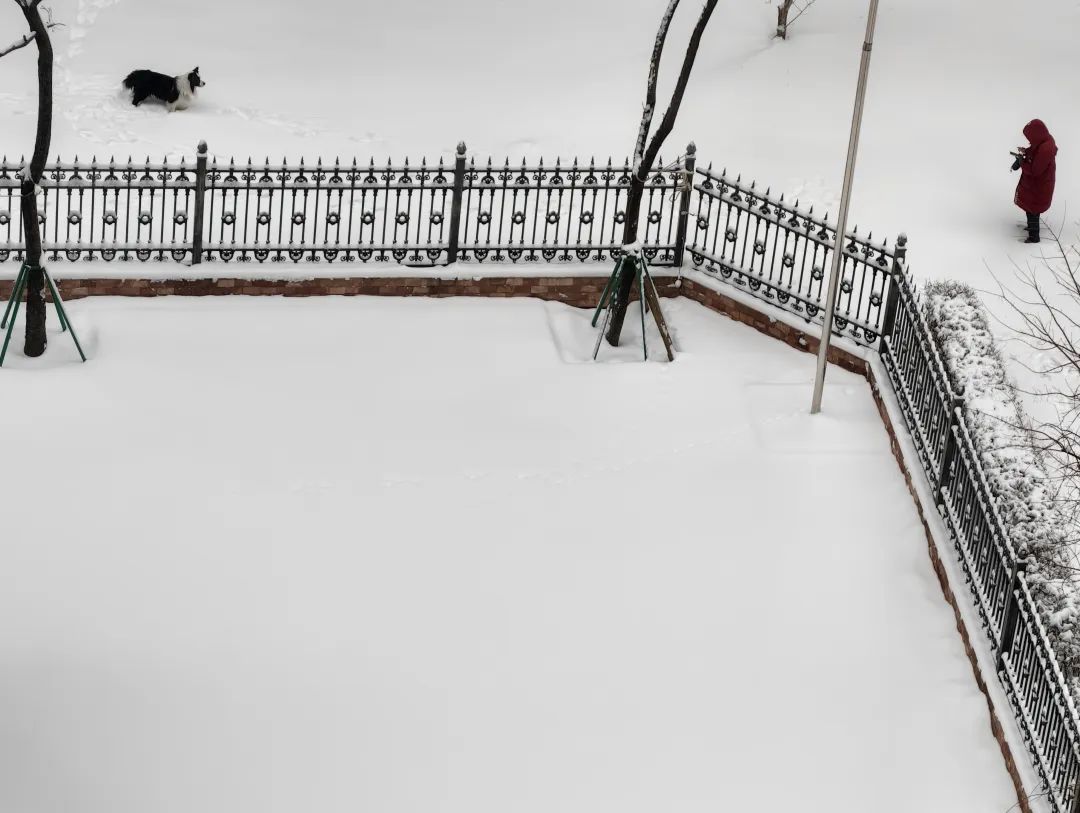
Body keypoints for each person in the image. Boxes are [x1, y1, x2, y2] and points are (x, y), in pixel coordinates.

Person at [1012, 119, 1058, 244]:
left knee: (1033, 209)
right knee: (1031, 208)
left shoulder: (1046, 149)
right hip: (1037, 185)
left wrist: (1022, 162)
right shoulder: (1044, 141)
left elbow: (1034, 171)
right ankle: (1032, 228)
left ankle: (1034, 237)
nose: (1029, 140)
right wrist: (1026, 151)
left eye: (1030, 137)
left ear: (1036, 134)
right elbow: (1034, 150)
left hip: (1039, 186)